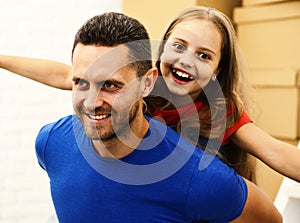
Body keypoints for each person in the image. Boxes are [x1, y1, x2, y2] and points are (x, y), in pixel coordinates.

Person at [17, 11, 281, 222]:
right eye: (81, 83)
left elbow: (269, 215)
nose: (92, 102)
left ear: (146, 84)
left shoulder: (201, 177)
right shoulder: (50, 142)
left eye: (110, 85)